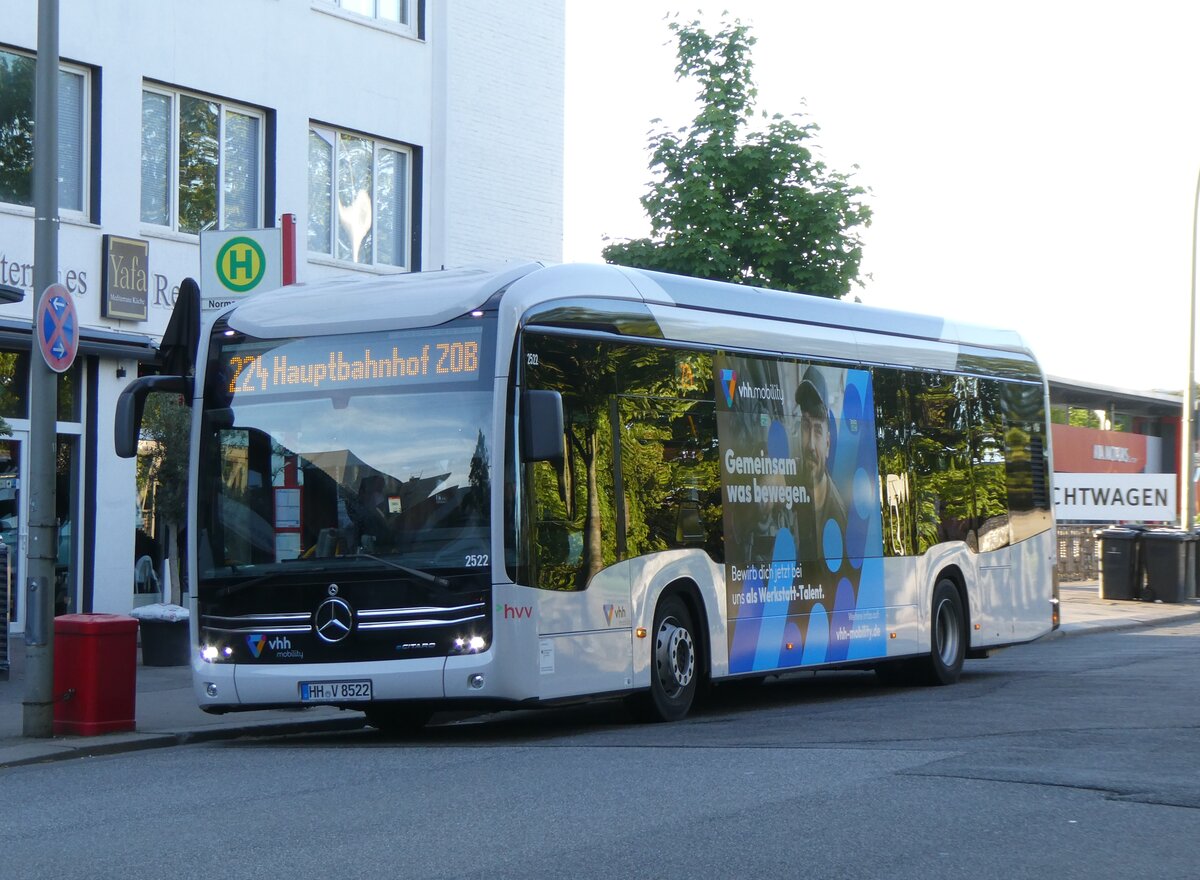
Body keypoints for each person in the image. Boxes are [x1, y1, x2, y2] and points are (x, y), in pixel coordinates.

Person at [795, 369, 847, 562]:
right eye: (806, 427)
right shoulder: (796, 475)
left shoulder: (837, 516)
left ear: (827, 443)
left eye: (817, 431)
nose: (810, 445)